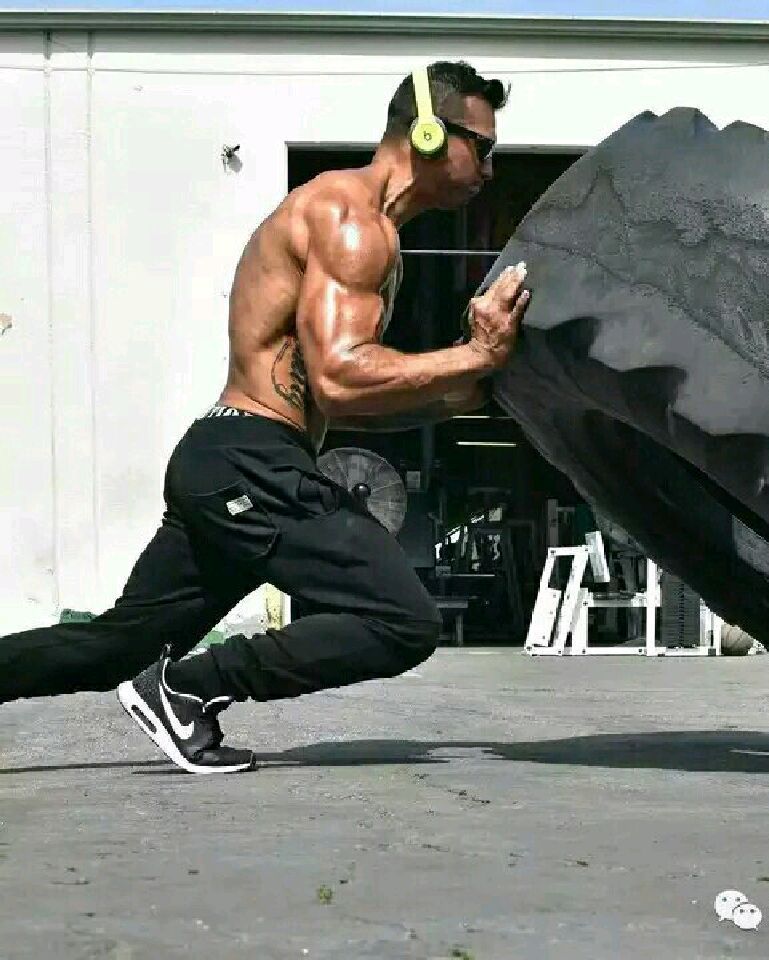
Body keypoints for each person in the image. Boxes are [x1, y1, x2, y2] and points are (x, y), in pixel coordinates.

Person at [0, 61, 531, 774]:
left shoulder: (366, 229)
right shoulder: (351, 220)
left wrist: (461, 394)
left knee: (117, 646)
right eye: (483, 147)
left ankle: (165, 683)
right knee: (404, 619)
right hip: (253, 461)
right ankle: (186, 688)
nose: (491, 169)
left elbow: (337, 403)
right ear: (429, 134)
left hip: (228, 458)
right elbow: (341, 377)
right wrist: (473, 355)